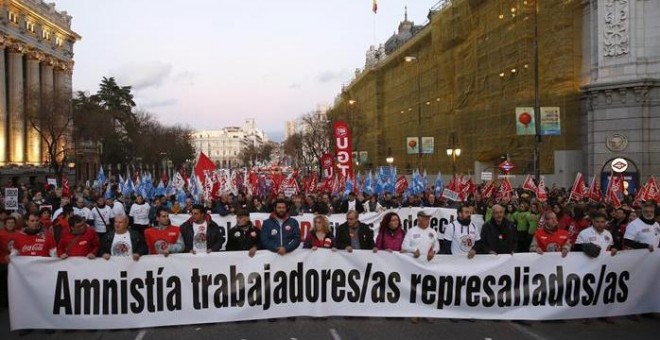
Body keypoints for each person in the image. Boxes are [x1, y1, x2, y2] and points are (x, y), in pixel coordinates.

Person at [0, 216, 19, 308]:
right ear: (5, 224)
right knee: (3, 285)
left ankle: (10, 303)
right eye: (8, 223)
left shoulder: (19, 233)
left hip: (15, 265)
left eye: (12, 222)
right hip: (3, 263)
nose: (10, 224)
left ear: (15, 224)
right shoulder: (0, 234)